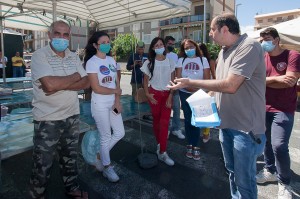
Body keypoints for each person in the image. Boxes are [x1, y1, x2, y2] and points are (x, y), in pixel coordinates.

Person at [167, 13, 266, 199]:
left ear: (225, 29)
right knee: (232, 173)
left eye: (213, 29)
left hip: (246, 129)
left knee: (245, 181)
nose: (210, 34)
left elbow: (230, 85)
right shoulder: (223, 51)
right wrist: (202, 102)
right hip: (225, 125)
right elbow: (218, 84)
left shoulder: (249, 47)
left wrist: (192, 83)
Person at [29, 20, 90, 199]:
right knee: (42, 165)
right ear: (49, 35)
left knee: (70, 159)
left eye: (65, 35)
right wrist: (75, 76)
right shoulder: (39, 56)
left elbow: (86, 82)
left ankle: (72, 189)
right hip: (47, 120)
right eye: (57, 33)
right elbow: (49, 85)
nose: (61, 38)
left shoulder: (73, 56)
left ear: (69, 36)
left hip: (71, 116)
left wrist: (60, 84)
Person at [256, 27, 300, 199]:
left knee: (279, 145)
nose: (264, 43)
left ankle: (284, 183)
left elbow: (289, 82)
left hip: (283, 109)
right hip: (262, 107)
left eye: (267, 38)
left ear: (276, 39)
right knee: (267, 143)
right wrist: (276, 79)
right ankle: (269, 170)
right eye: (262, 40)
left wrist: (265, 81)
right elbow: (254, 80)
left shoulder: (292, 55)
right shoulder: (262, 57)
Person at [84, 31, 125, 182]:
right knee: (106, 135)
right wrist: (116, 91)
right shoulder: (92, 62)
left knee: (120, 132)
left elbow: (117, 81)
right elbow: (96, 88)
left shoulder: (112, 60)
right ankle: (107, 167)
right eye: (104, 42)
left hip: (112, 103)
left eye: (109, 41)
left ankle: (101, 155)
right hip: (99, 104)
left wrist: (117, 101)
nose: (107, 44)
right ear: (95, 45)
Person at [141, 37, 176, 166]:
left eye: (161, 44)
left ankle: (162, 152)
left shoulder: (171, 61)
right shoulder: (148, 62)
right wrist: (147, 94)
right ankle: (159, 145)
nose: (159, 47)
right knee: (156, 121)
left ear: (164, 46)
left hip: (167, 95)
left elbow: (173, 81)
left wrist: (171, 95)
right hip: (154, 95)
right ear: (153, 48)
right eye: (156, 45)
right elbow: (145, 80)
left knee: (164, 123)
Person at [177, 39, 210, 160]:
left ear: (195, 47)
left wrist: (195, 89)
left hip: (199, 93)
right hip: (184, 93)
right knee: (187, 120)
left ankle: (196, 146)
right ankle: (189, 144)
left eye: (191, 47)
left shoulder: (203, 60)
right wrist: (188, 87)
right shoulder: (181, 60)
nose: (189, 50)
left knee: (195, 121)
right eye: (186, 48)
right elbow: (178, 77)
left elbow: (206, 79)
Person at [165, 36, 185, 139]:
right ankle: (166, 129)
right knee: (166, 109)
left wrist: (176, 84)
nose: (172, 46)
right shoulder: (160, 55)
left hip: (174, 86)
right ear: (165, 44)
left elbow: (177, 71)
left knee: (176, 109)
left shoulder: (174, 56)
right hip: (164, 87)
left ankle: (176, 129)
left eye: (173, 44)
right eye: (170, 44)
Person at [199, 43, 218, 143]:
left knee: (206, 113)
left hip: (208, 90)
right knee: (198, 112)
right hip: (197, 89)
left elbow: (215, 76)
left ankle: (206, 134)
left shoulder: (210, 61)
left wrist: (213, 89)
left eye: (200, 50)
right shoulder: (195, 60)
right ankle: (199, 131)